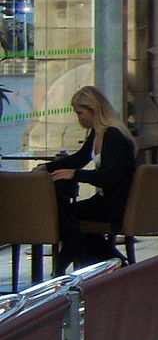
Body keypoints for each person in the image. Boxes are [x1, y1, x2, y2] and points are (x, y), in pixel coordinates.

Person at [46, 86, 137, 270]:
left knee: (66, 217)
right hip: (109, 200)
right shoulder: (99, 133)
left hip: (116, 204)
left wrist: (75, 174)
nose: (80, 118)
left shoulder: (113, 135)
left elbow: (111, 176)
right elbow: (80, 158)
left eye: (81, 113)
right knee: (72, 222)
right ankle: (96, 261)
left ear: (93, 110)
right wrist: (46, 168)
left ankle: (74, 264)